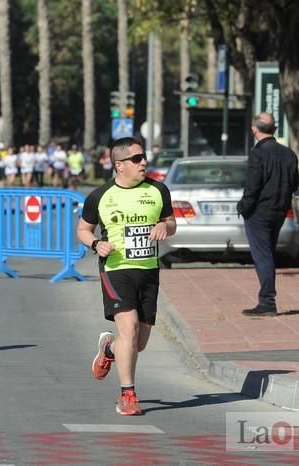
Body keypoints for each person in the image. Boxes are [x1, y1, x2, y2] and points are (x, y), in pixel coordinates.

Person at [76, 137, 176, 416]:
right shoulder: (100, 196)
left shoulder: (158, 190)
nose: (143, 162)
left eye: (143, 157)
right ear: (119, 165)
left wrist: (163, 227)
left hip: (149, 270)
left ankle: (109, 349)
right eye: (136, 159)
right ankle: (128, 395)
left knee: (138, 343)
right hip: (116, 270)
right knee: (129, 329)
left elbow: (171, 223)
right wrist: (96, 244)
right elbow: (83, 230)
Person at [237, 112, 299, 316]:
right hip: (280, 211)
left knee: (263, 256)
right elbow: (294, 184)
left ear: (254, 130)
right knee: (268, 254)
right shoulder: (289, 154)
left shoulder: (257, 154)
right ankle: (267, 300)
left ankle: (267, 302)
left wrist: (244, 208)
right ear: (275, 129)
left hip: (259, 212)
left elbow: (252, 186)